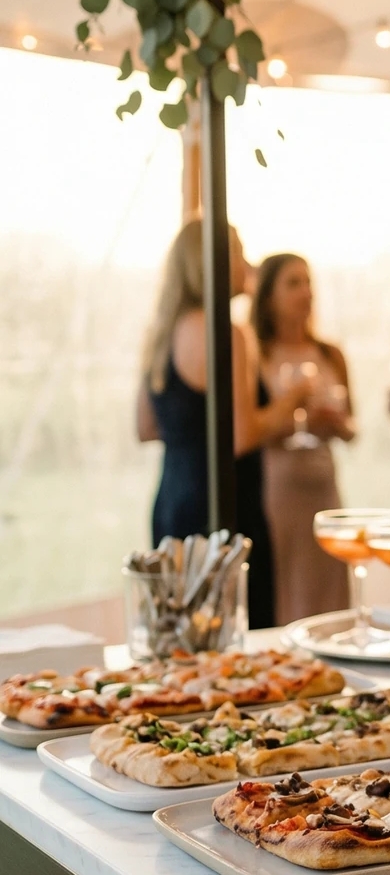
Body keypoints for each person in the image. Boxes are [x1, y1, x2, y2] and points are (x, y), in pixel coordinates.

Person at [137, 219, 304, 630]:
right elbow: (242, 436)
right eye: (237, 251)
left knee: (180, 631)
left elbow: (146, 427)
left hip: (173, 501)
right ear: (210, 260)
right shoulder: (226, 334)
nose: (246, 263)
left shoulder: (162, 333)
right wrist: (295, 398)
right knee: (238, 634)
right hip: (224, 504)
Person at [252, 253, 355, 625]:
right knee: (285, 591)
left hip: (323, 487)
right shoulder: (255, 356)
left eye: (308, 282)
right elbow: (251, 428)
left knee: (329, 591)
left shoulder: (330, 353)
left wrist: (333, 424)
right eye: (293, 283)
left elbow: (352, 427)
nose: (306, 292)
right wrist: (295, 415)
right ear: (268, 296)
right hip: (279, 491)